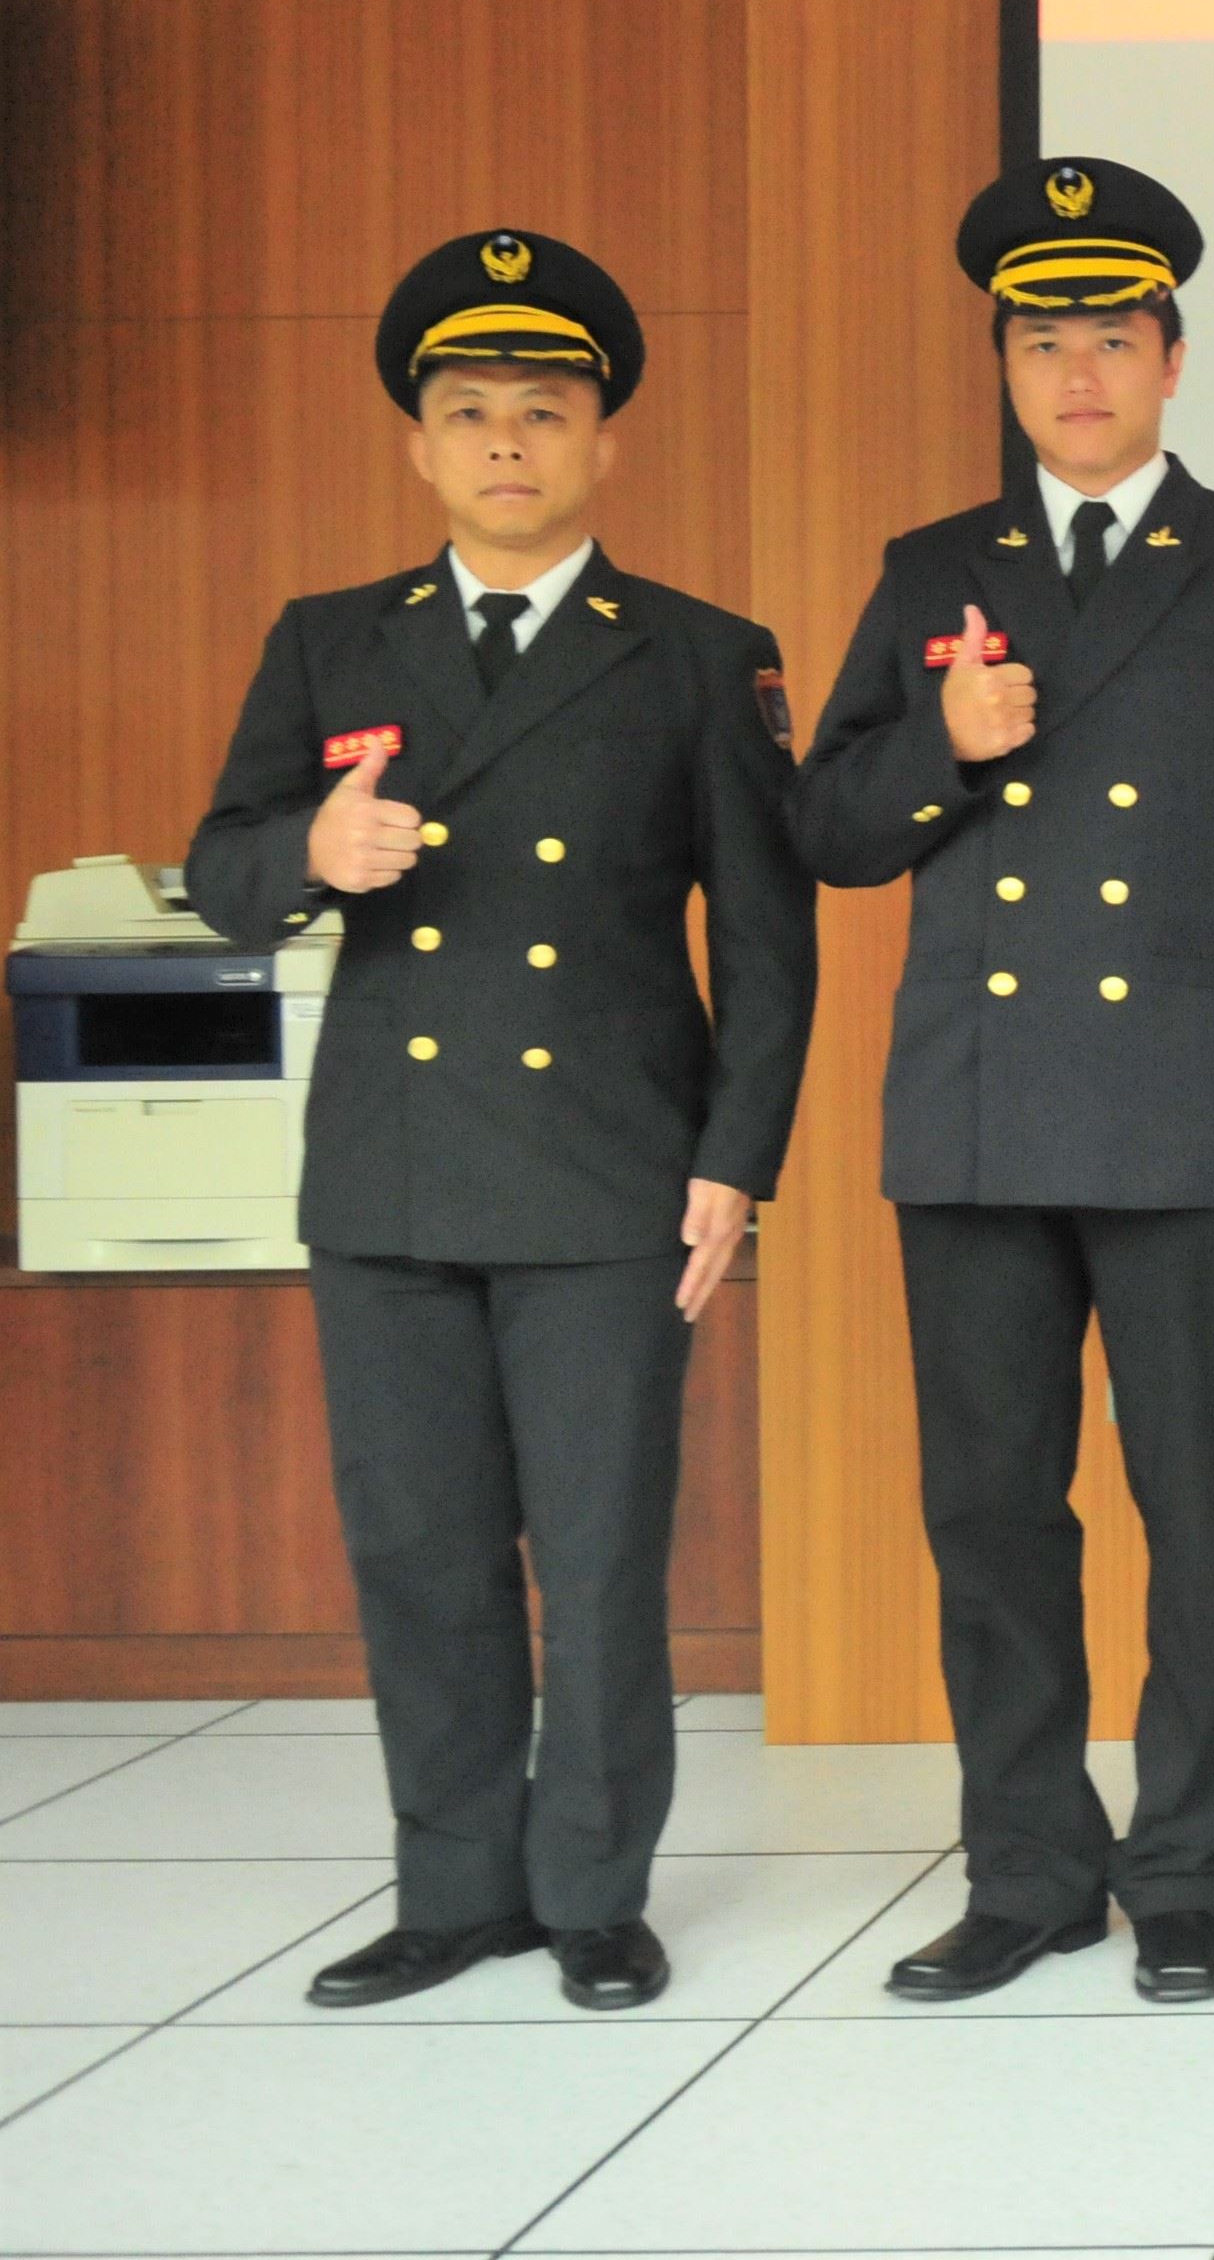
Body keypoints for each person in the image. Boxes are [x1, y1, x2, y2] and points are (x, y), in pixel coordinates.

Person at [186, 230, 816, 2012]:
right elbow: (220, 868)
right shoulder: (331, 641)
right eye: (470, 413)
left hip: (611, 1171)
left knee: (602, 1554)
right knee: (420, 1549)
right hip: (389, 1171)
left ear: (604, 440)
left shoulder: (698, 654)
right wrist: (309, 853)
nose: (508, 443)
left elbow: (767, 944)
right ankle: (452, 1889)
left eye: (543, 411)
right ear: (420, 445)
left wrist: (735, 1161)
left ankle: (594, 1894)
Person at [792, 159, 1214, 2005]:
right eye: (1044, 342)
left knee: (1198, 1510)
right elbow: (830, 829)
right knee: (989, 1517)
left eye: (1112, 340)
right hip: (977, 1114)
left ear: (1173, 362)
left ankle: (1182, 1866)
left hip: (1189, 1118)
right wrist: (943, 746)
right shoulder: (932, 569)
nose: (1078, 373)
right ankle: (1030, 1867)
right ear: (1006, 367)